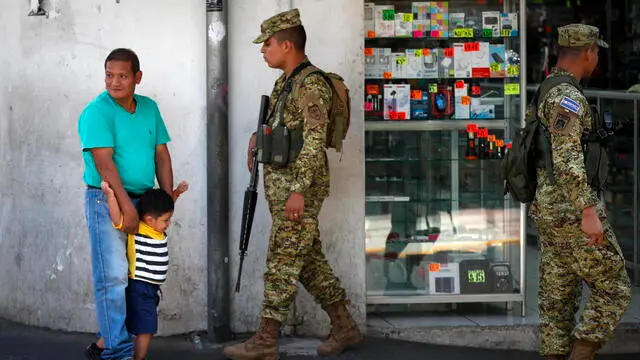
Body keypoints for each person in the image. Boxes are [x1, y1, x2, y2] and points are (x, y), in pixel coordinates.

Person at [223, 8, 362, 360]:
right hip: (282, 188)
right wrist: (260, 136)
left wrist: (299, 190)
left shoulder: (311, 84)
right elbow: (287, 128)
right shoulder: (286, 82)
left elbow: (314, 141)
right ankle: (344, 326)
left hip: (297, 190)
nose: (262, 50)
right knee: (308, 260)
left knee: (282, 262)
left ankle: (265, 340)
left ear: (286, 45)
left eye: (267, 44)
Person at [529, 24, 632, 360]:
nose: (597, 58)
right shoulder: (567, 98)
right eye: (597, 52)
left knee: (557, 301)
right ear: (589, 52)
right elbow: (568, 158)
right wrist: (589, 212)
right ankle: (582, 354)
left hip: (549, 210)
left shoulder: (548, 87)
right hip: (571, 212)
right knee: (614, 288)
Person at [78, 48, 175, 360]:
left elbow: (161, 153)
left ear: (137, 77)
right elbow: (104, 163)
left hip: (144, 199)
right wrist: (127, 205)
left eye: (122, 76)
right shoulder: (96, 112)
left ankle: (106, 342)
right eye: (109, 75)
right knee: (114, 276)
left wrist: (166, 200)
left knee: (139, 277)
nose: (114, 82)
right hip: (106, 198)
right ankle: (117, 353)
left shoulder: (148, 108)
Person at [85, 180, 188, 360]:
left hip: (150, 288)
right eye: (166, 220)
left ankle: (98, 347)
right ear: (150, 219)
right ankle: (138, 358)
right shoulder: (139, 228)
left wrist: (176, 193)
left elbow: (162, 210)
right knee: (146, 327)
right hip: (140, 287)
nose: (169, 224)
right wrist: (110, 195)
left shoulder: (156, 226)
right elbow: (117, 220)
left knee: (128, 320)